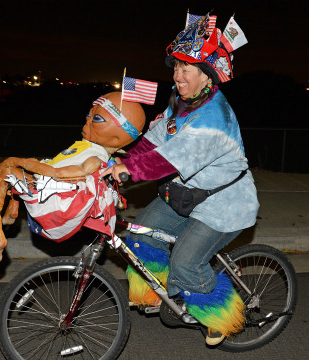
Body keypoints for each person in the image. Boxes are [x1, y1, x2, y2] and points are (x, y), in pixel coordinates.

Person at [100, 13, 259, 346]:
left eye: (187, 70)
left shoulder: (214, 118)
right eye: (176, 68)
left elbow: (171, 158)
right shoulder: (183, 103)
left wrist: (132, 170)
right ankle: (154, 294)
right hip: (187, 194)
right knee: (141, 237)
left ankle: (222, 316)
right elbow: (157, 138)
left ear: (207, 76)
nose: (178, 75)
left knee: (186, 263)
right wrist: (122, 159)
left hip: (222, 206)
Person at [0, 91, 146, 266]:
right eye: (89, 115)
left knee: (7, 172)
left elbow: (58, 173)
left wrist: (16, 161)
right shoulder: (91, 148)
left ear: (117, 136)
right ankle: (13, 209)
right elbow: (57, 164)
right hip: (50, 183)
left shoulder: (94, 158)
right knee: (19, 169)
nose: (87, 121)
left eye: (97, 119)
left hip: (54, 199)